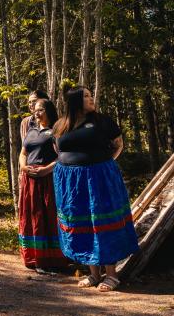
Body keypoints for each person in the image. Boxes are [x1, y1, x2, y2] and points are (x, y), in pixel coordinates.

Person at [52, 86, 139, 292]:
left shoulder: (102, 121)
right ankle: (93, 273)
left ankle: (111, 275)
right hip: (71, 183)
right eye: (87, 96)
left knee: (102, 221)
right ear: (75, 101)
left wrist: (105, 165)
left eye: (91, 95)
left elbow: (118, 144)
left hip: (99, 179)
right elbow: (57, 148)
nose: (91, 99)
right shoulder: (61, 125)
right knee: (81, 222)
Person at [18, 99, 69, 272]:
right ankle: (34, 257)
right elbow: (23, 152)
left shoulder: (56, 131)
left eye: (40, 110)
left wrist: (46, 170)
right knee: (32, 216)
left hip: (48, 179)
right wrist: (24, 167)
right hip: (30, 180)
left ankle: (53, 259)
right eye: (35, 110)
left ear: (48, 111)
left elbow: (63, 155)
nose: (36, 113)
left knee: (48, 215)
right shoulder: (31, 130)